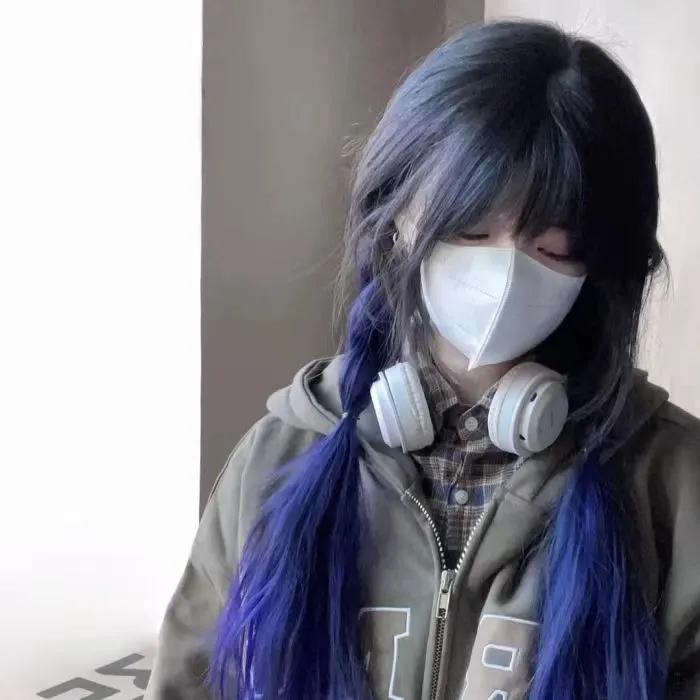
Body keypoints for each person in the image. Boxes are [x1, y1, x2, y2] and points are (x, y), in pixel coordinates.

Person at [145, 18, 700, 700]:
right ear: (396, 217)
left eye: (552, 246)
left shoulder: (675, 488)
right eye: (469, 227)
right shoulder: (277, 458)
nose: (504, 273)